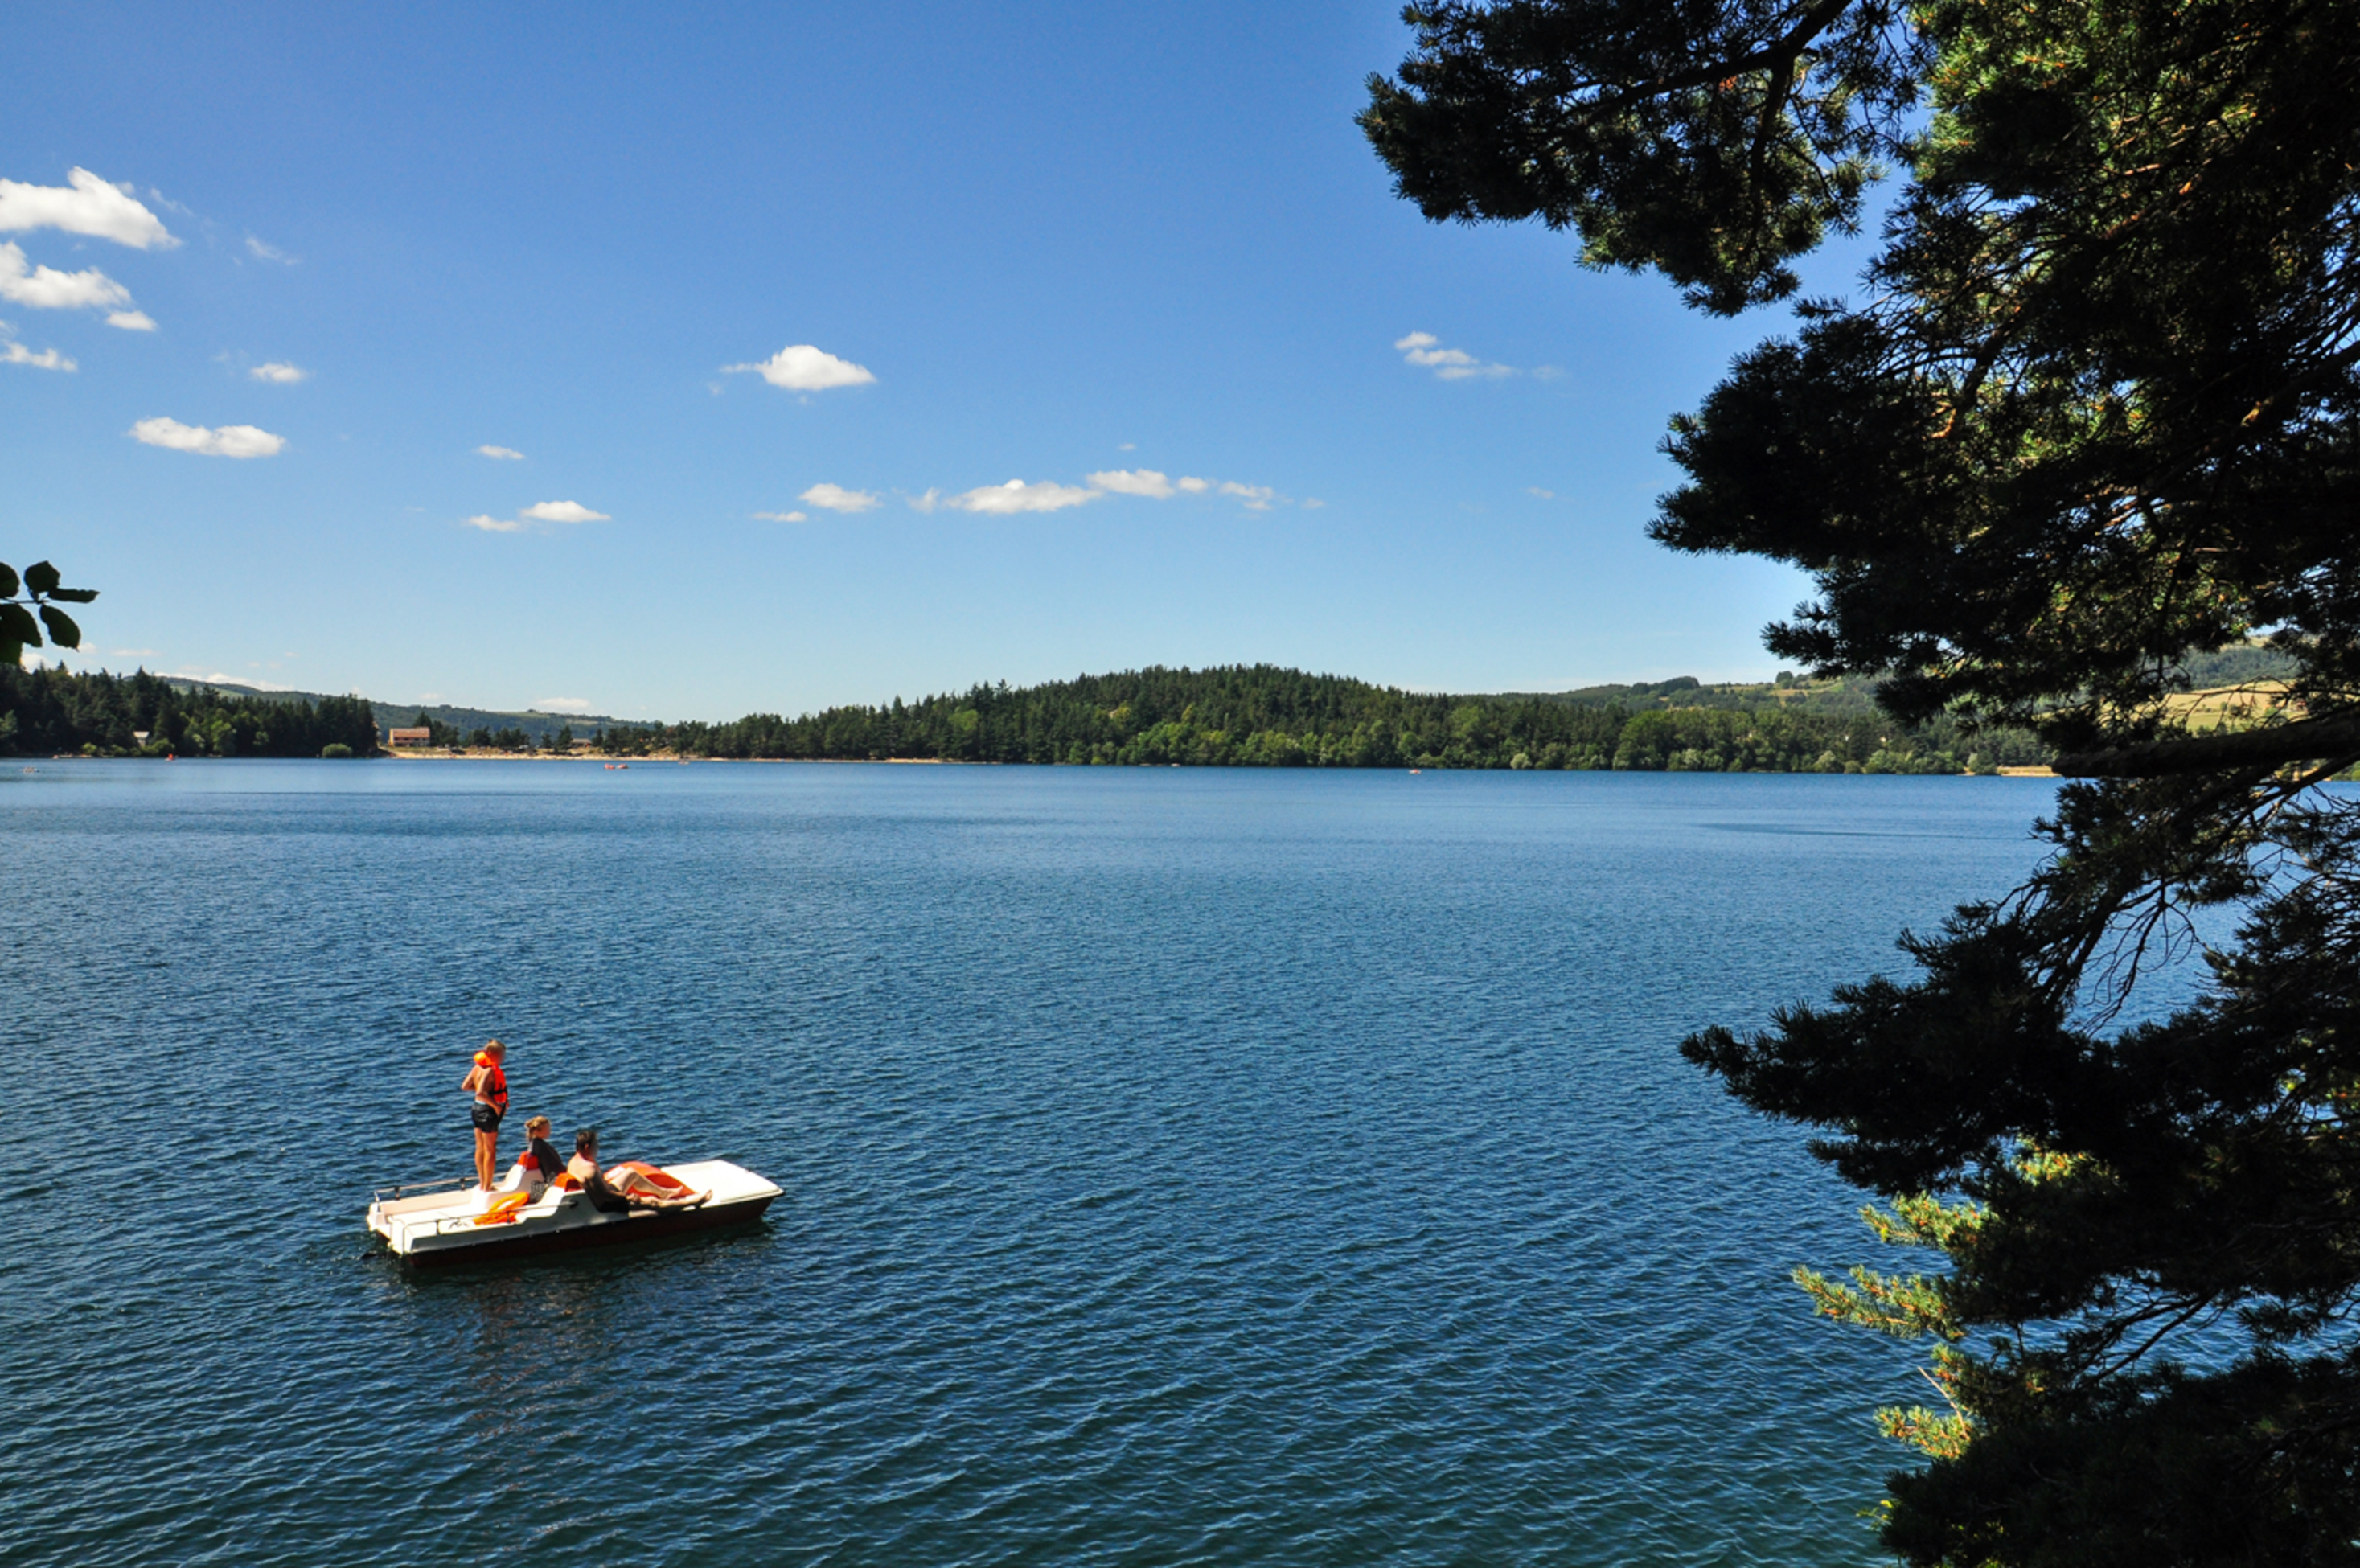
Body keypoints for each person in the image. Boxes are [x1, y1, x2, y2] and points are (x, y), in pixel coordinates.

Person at [566, 1127, 708, 1212]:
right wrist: (628, 1197)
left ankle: (664, 1193)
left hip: (609, 1191)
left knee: (631, 1173)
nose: (598, 1149)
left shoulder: (574, 1162)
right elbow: (606, 1196)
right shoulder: (589, 1168)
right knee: (651, 1201)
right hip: (608, 1204)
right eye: (596, 1146)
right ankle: (693, 1203)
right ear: (587, 1147)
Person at [461, 1040, 510, 1192]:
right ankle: (488, 1186)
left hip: (476, 1109)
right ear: (491, 1054)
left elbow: (465, 1086)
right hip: (487, 1111)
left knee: (480, 1148)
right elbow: (480, 1092)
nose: (503, 1057)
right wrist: (496, 1106)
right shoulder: (489, 1070)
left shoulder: (477, 1068)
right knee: (490, 1149)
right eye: (501, 1054)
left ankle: (483, 1183)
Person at [506, 1114, 567, 1197]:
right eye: (547, 1129)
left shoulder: (534, 1145)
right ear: (537, 1131)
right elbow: (551, 1168)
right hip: (554, 1179)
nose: (550, 1131)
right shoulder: (541, 1147)